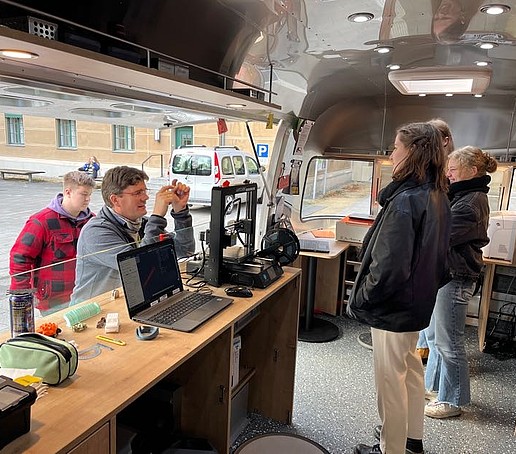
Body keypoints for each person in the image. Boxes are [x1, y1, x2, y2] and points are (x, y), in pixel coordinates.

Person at [348, 122, 452, 454]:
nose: (391, 154)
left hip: (392, 308)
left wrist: (363, 298)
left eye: (396, 147)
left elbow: (388, 267)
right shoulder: (437, 194)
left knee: (389, 383)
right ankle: (412, 440)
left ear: (413, 152)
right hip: (416, 305)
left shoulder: (406, 200)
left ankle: (389, 448)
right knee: (410, 372)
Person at [423, 146, 497, 419]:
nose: (449, 174)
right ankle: (437, 388)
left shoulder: (470, 203)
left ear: (472, 171)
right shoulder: (463, 195)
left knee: (449, 342)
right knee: (434, 337)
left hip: (455, 279)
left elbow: (441, 236)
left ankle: (452, 401)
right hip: (445, 276)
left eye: (453, 170)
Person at [71, 165, 195, 304]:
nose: (146, 197)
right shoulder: (95, 232)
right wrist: (157, 216)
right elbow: (138, 268)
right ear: (115, 200)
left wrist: (180, 213)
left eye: (145, 191)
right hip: (92, 313)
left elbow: (185, 251)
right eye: (137, 193)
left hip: (126, 304)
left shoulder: (143, 224)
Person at [9, 171, 96, 316]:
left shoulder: (92, 220)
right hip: (54, 301)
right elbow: (20, 257)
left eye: (90, 195)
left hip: (85, 295)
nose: (88, 199)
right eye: (83, 194)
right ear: (68, 192)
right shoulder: (41, 221)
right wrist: (23, 298)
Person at [417, 117, 455, 362]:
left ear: (445, 140)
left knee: (436, 332)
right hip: (428, 257)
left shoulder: (448, 174)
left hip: (437, 259)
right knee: (426, 325)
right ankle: (422, 353)